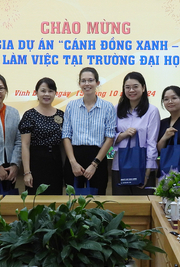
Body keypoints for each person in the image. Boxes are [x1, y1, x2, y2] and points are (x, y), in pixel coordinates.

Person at [62, 67, 116, 195]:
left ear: (97, 83)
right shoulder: (71, 106)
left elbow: (109, 138)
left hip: (98, 158)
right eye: (83, 81)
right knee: (73, 203)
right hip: (74, 157)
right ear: (79, 84)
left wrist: (94, 164)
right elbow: (66, 136)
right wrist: (73, 163)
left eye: (90, 80)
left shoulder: (107, 107)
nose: (87, 84)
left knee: (97, 202)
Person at [112, 72, 160, 195]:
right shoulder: (116, 109)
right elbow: (108, 137)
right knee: (121, 207)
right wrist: (123, 134)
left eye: (135, 86)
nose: (131, 90)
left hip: (142, 166)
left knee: (144, 209)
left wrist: (147, 173)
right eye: (127, 87)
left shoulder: (152, 111)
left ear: (143, 88)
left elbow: (152, 143)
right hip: (120, 166)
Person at [19, 77, 64, 195]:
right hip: (36, 163)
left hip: (55, 163)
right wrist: (27, 172)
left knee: (55, 202)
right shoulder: (29, 115)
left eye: (50, 91)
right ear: (36, 93)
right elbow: (25, 144)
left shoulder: (61, 114)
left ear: (55, 93)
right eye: (43, 91)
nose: (47, 94)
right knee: (36, 203)